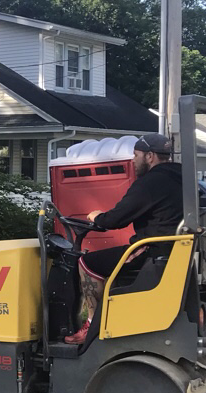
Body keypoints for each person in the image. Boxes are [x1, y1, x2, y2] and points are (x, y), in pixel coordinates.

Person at [65, 133, 183, 345]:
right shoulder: (183, 178)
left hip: (152, 250)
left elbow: (116, 219)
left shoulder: (150, 183)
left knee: (87, 263)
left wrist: (97, 217)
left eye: (135, 155)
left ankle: (92, 325)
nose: (132, 161)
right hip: (175, 250)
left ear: (149, 156)